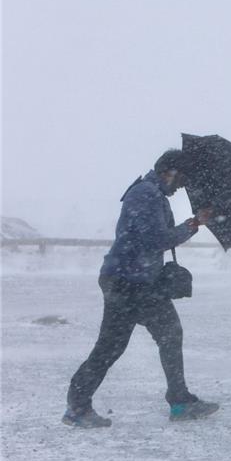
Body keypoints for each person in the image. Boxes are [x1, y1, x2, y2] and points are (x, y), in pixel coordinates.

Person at [64, 149, 218, 428]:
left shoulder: (152, 194)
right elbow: (154, 240)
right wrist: (191, 225)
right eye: (180, 179)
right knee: (118, 345)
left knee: (151, 337)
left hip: (136, 282)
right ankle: (178, 402)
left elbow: (153, 240)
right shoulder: (145, 194)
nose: (181, 186)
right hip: (128, 283)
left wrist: (194, 223)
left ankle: (178, 400)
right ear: (168, 172)